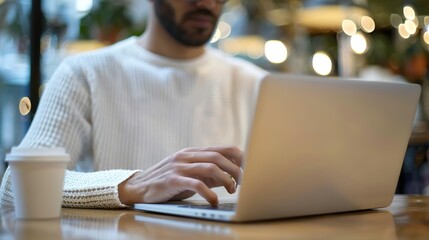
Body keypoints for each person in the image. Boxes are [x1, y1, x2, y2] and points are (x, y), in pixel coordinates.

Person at [0, 0, 267, 208]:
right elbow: (16, 185)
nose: (208, 4)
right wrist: (132, 186)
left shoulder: (257, 84)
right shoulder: (85, 74)